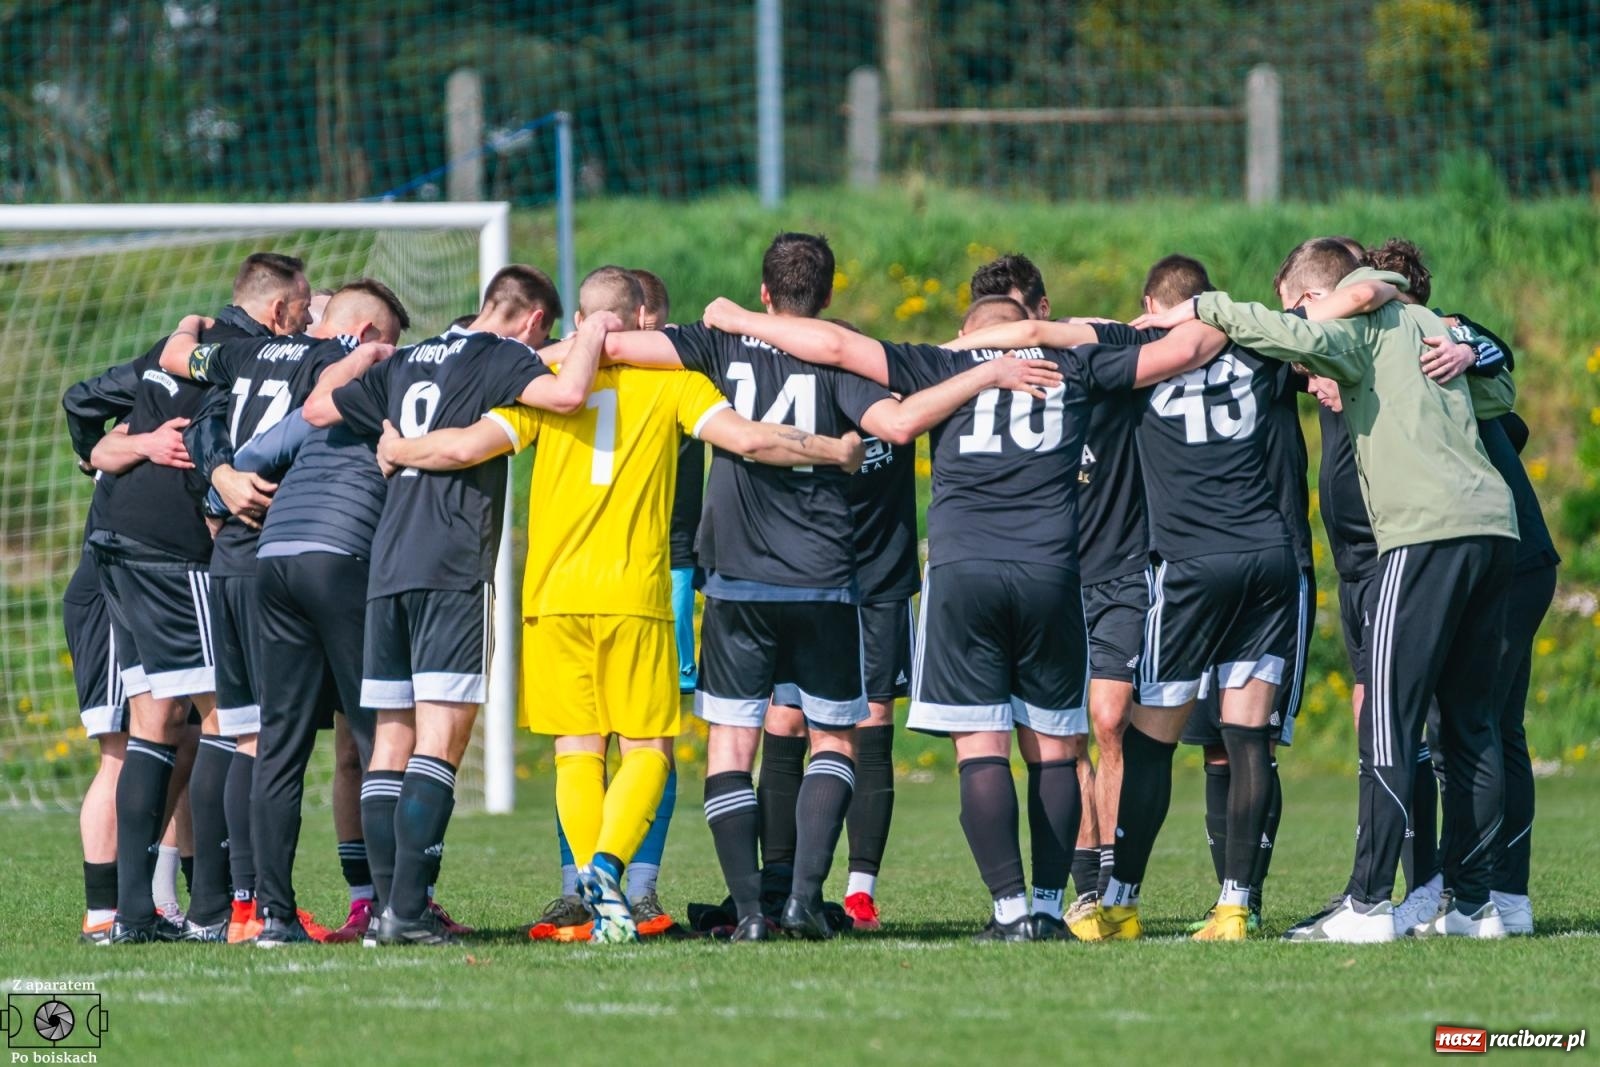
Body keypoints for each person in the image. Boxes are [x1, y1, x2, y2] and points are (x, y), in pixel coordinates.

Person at [702, 288, 1256, 940]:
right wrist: (1192, 313)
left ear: (969, 332)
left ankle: (1009, 909)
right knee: (1054, 750)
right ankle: (1050, 907)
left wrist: (738, 320)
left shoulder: (943, 364)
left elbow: (835, 346)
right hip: (1053, 574)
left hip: (966, 575)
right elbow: (1189, 347)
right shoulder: (1074, 365)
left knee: (982, 749)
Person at [580, 234, 1063, 940]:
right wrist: (986, 374)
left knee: (730, 747)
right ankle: (806, 898)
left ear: (766, 293)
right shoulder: (839, 350)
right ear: (829, 295)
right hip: (825, 581)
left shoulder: (719, 345)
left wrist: (552, 352)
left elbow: (620, 351)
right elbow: (897, 423)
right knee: (835, 740)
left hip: (737, 580)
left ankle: (750, 912)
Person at [376, 265, 868, 942]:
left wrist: (398, 448)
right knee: (649, 749)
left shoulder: (542, 389)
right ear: (642, 319)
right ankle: (609, 868)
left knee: (577, 751)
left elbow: (463, 445)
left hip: (551, 597)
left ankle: (584, 891)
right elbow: (753, 438)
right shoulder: (672, 382)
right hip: (632, 592)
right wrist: (834, 449)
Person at [1139, 237, 1519, 941]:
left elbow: (1290, 333)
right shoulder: (1433, 326)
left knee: (1387, 717)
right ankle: (1474, 904)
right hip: (1492, 531)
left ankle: (1368, 904)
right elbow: (1500, 391)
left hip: (1423, 532)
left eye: (1298, 307)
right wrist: (1467, 353)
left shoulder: (1356, 328)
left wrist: (1207, 306)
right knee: (1471, 725)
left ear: (1318, 299)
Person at [303, 264, 611, 946]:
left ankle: (385, 908)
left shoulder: (411, 358)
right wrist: (594, 332)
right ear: (533, 321)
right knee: (440, 742)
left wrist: (371, 360)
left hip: (387, 565)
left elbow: (320, 408)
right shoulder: (503, 356)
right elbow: (566, 395)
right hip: (449, 564)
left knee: (389, 742)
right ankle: (408, 911)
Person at [161, 279, 412, 945]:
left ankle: (267, 912)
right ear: (366, 337)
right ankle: (394, 907)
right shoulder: (362, 370)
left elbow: (241, 438)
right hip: (336, 556)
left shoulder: (256, 357)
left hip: (267, 554)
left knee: (271, 739)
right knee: (380, 733)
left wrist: (223, 483)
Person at [1358, 237, 1556, 937]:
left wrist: (1471, 348)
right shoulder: (1429, 348)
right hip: (1508, 554)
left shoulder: (1437, 340)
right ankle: (1479, 893)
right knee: (1478, 726)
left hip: (1500, 554)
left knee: (1476, 728)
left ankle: (1491, 895)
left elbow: (1500, 363)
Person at [970, 252, 1138, 919]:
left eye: (1023, 321)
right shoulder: (980, 381)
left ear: (1042, 312)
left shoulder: (1093, 361)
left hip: (1115, 569)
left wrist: (1054, 334)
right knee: (1057, 743)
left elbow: (1141, 330)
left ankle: (1110, 884)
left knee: (1108, 721)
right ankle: (1084, 892)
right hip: (1045, 580)